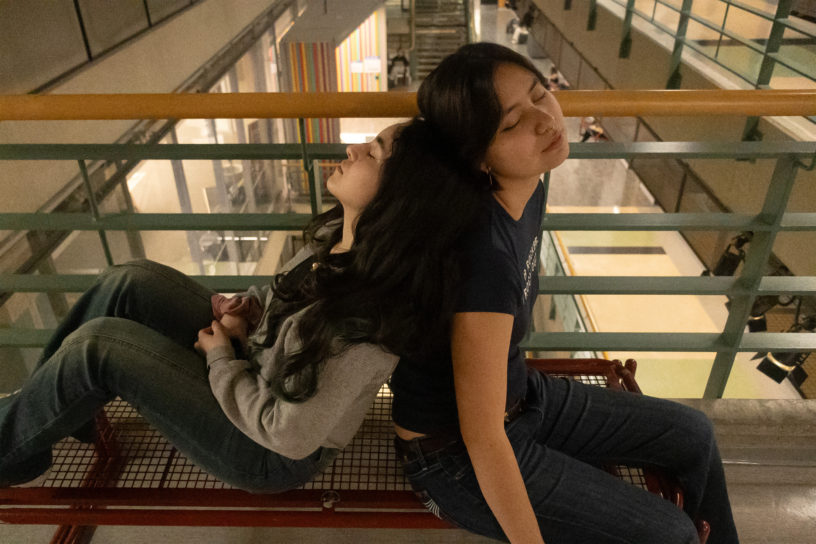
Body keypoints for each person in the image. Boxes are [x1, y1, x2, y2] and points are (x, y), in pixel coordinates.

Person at [0, 120, 481, 493]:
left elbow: (288, 436)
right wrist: (250, 312)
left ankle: (8, 448)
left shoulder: (365, 324)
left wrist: (221, 358)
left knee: (98, 347)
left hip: (266, 451)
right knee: (129, 280)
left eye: (373, 153)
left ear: (401, 198)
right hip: (255, 370)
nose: (353, 149)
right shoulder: (339, 236)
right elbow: (284, 304)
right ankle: (46, 418)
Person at [390, 43, 739, 544]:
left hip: (521, 398)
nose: (544, 120)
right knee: (671, 534)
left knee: (693, 435)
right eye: (511, 123)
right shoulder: (481, 258)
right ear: (477, 158)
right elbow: (482, 437)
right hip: (452, 456)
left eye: (539, 94)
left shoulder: (528, 186)